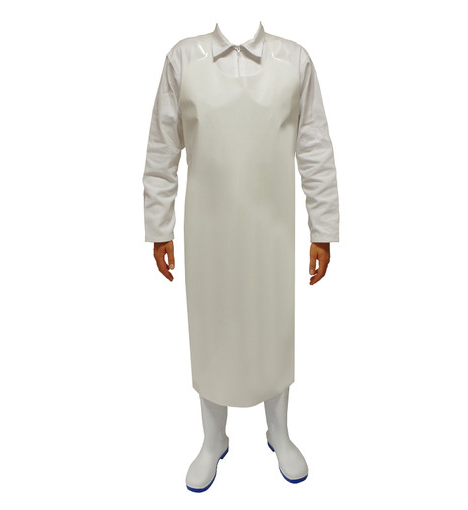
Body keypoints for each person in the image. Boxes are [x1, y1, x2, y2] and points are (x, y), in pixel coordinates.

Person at [143, 22, 339, 491]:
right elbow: (163, 146)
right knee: (212, 329)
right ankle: (213, 439)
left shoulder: (293, 60)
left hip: (272, 232)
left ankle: (279, 432)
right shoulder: (183, 59)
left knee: (273, 327)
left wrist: (323, 228)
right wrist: (159, 225)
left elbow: (314, 146)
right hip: (208, 231)